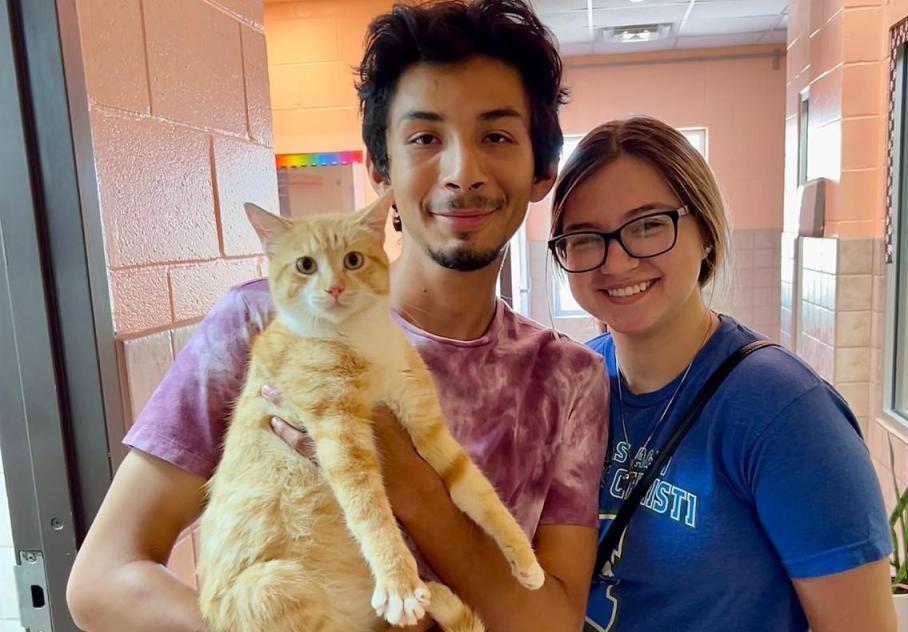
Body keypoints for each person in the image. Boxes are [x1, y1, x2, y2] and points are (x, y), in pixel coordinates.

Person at [66, 2, 609, 631]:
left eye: (496, 136)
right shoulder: (261, 323)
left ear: (542, 168)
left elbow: (552, 624)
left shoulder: (568, 379)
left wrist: (410, 485)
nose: (463, 173)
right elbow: (103, 580)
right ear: (380, 167)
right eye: (425, 138)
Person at [546, 116, 896, 632]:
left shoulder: (783, 412)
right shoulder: (573, 383)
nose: (616, 262)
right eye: (584, 237)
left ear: (705, 233)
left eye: (648, 225)